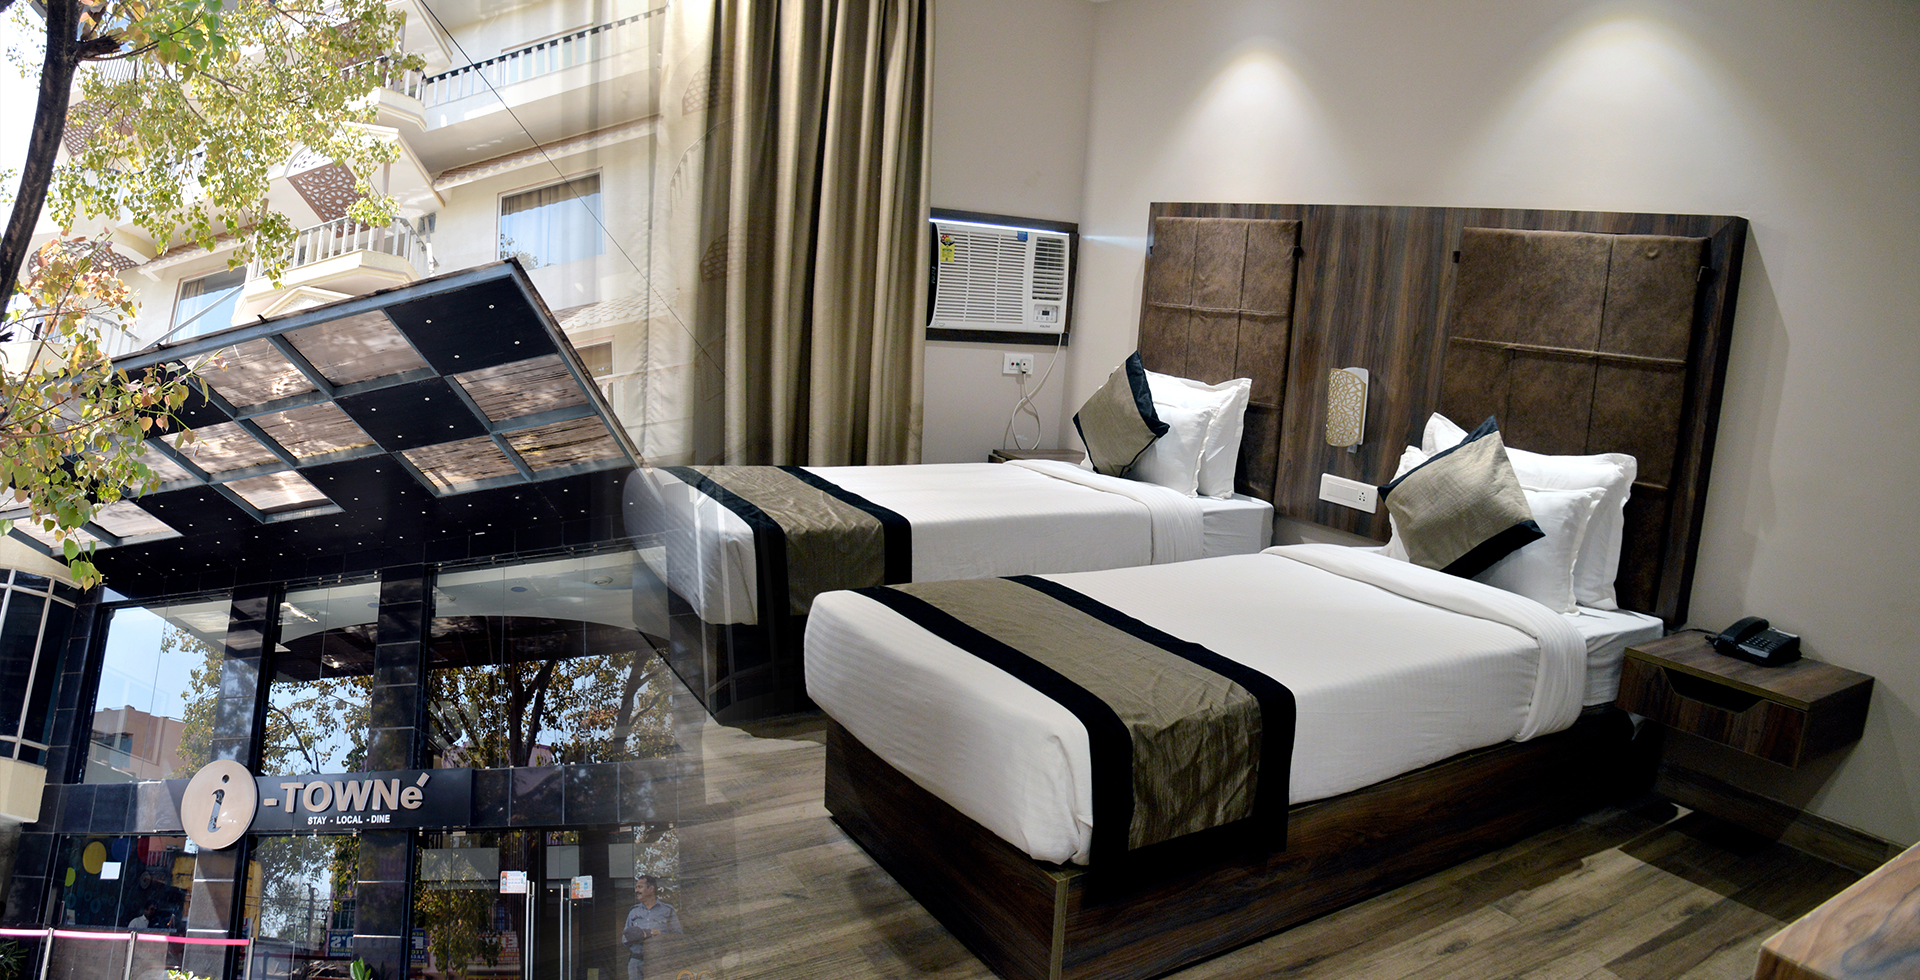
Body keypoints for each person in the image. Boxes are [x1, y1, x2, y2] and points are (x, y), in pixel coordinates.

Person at [620, 874, 682, 980]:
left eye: (640, 887)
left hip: (660, 961)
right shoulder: (634, 912)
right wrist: (640, 934)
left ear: (651, 889)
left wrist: (662, 935)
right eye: (636, 887)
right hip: (637, 961)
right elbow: (624, 939)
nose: (636, 890)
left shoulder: (668, 910)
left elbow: (678, 937)